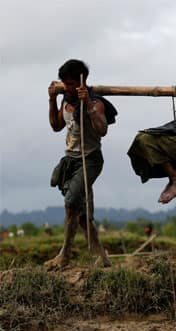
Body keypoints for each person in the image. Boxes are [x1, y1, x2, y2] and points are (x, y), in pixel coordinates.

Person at [45, 59, 116, 269]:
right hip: (71, 161)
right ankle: (103, 259)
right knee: (83, 215)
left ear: (81, 82)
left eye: (71, 84)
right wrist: (51, 100)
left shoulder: (95, 103)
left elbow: (102, 129)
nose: (67, 88)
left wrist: (88, 106)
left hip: (90, 160)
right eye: (64, 83)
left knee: (70, 203)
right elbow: (56, 126)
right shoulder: (65, 101)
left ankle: (64, 255)